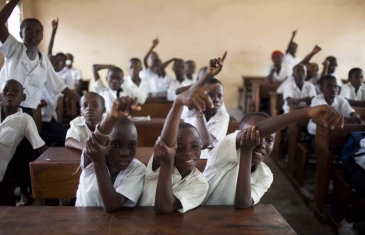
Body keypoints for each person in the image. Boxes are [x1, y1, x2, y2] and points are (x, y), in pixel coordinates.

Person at [203, 104, 344, 206]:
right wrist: (307, 113)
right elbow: (259, 130)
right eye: (255, 136)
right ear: (237, 136)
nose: (261, 144)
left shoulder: (266, 175)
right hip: (198, 218)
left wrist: (247, 152)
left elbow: (243, 203)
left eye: (269, 140)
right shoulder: (223, 149)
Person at [138, 55, 227, 213]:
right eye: (179, 148)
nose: (188, 153)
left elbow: (165, 207)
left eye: (194, 146)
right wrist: (206, 75)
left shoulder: (199, 183)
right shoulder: (160, 161)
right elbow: (186, 97)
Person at [0, 0, 80, 117]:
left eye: (37, 32)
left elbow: (59, 86)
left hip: (27, 111)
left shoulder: (43, 61)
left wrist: (81, 99)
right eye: (29, 31)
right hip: (6, 108)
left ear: (42, 36)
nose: (33, 35)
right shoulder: (14, 49)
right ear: (21, 34)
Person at [75, 96, 146, 212]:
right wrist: (111, 118)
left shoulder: (137, 169)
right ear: (105, 143)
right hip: (83, 225)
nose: (124, 153)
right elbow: (95, 142)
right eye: (116, 145)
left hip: (119, 228)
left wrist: (100, 162)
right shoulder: (91, 159)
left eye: (131, 145)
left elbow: (112, 205)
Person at [0, 79, 48, 206]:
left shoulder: (24, 119)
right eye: (5, 90)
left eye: (15, 91)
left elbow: (41, 147)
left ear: (23, 97)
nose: (10, 93)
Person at [308, 75, 361, 145]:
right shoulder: (316, 100)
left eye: (336, 86)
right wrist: (343, 118)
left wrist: (355, 117)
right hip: (317, 134)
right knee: (328, 145)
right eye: (329, 86)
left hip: (336, 134)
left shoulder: (340, 99)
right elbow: (322, 117)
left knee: (353, 143)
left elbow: (351, 112)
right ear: (321, 89)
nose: (333, 89)